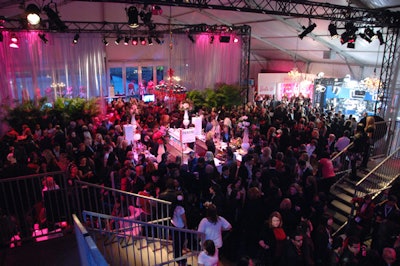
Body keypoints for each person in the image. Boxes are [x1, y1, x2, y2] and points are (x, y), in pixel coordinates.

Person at [171, 193, 188, 266]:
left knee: (175, 241)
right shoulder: (181, 209)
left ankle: (176, 255)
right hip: (180, 227)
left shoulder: (173, 206)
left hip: (174, 224)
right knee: (180, 242)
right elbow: (184, 219)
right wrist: (186, 225)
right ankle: (178, 257)